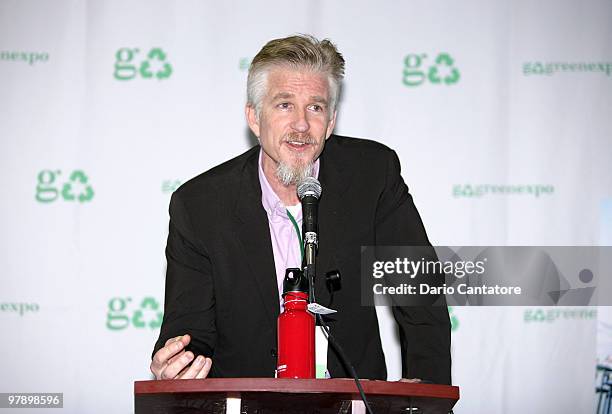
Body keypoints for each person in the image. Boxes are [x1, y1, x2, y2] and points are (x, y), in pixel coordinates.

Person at [150, 34, 451, 384]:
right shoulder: (200, 205)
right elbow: (190, 330)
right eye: (284, 105)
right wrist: (179, 365)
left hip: (352, 401)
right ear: (254, 116)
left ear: (332, 120)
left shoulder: (373, 175)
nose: (302, 125)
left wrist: (427, 399)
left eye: (316, 107)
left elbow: (418, 291)